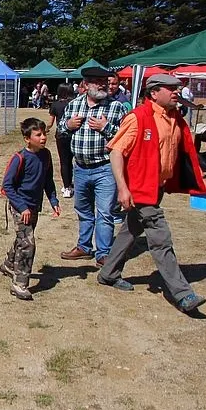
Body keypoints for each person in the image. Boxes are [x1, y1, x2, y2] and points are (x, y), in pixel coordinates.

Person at [96, 73, 206, 313]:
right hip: (140, 190)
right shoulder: (138, 118)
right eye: (170, 89)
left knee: (130, 231)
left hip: (157, 187)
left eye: (177, 88)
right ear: (153, 93)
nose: (176, 92)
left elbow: (185, 154)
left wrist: (202, 178)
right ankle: (182, 293)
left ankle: (108, 274)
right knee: (161, 239)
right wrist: (122, 188)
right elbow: (116, 151)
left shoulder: (175, 118)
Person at [58, 65, 127, 266]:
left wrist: (106, 128)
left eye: (104, 81)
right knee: (83, 210)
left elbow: (125, 139)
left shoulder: (116, 107)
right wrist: (68, 126)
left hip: (105, 168)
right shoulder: (74, 105)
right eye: (97, 81)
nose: (103, 85)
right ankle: (84, 247)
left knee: (105, 212)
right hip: (80, 167)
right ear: (86, 85)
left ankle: (103, 253)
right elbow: (62, 130)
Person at [0, 117, 61, 300]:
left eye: (44, 134)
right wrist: (22, 207)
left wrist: (54, 200)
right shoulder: (19, 158)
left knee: (22, 238)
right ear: (27, 138)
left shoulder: (46, 155)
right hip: (20, 207)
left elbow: (47, 181)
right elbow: (7, 186)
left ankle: (9, 264)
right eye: (38, 134)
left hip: (34, 207)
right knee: (28, 244)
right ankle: (20, 284)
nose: (43, 138)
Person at [47, 83, 75, 198]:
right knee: (72, 161)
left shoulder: (55, 105)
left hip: (61, 135)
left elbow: (50, 122)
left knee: (64, 162)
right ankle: (71, 183)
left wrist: (46, 129)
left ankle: (66, 187)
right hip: (73, 134)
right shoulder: (74, 104)